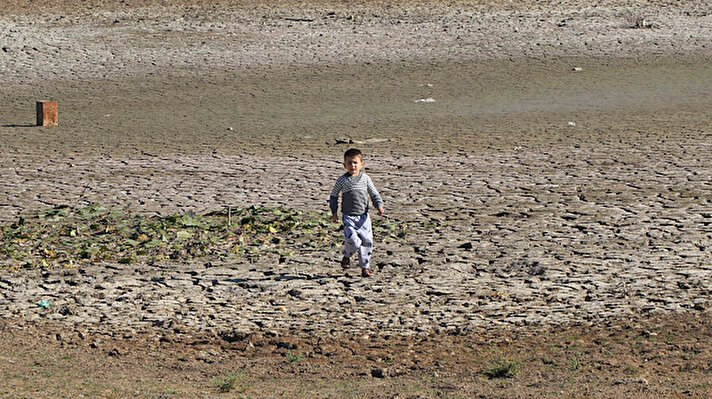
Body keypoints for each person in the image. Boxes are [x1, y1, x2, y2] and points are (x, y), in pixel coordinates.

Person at [329, 148, 385, 277]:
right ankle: (347, 255)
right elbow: (333, 196)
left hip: (364, 217)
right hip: (348, 217)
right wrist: (334, 212)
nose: (352, 166)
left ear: (361, 164)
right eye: (349, 163)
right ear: (344, 165)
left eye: (355, 162)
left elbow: (373, 193)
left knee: (367, 242)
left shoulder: (365, 178)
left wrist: (379, 206)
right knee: (354, 241)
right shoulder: (342, 180)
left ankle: (365, 267)